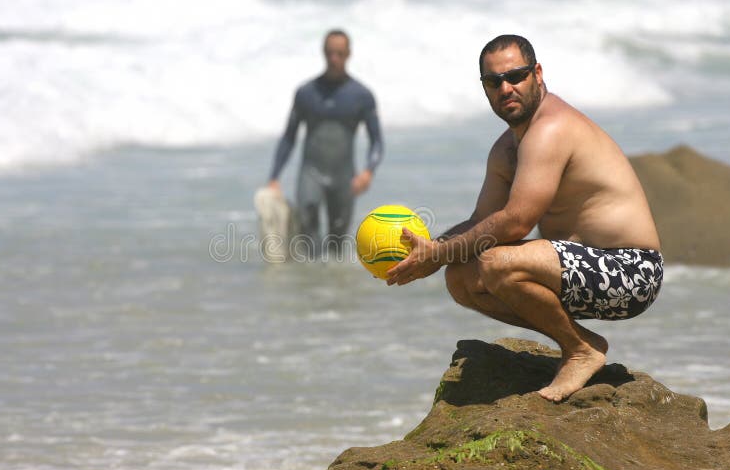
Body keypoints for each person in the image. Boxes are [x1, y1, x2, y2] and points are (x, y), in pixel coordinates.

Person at [386, 34, 663, 402]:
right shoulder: (506, 149)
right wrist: (434, 251)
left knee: (496, 263)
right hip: (573, 269)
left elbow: (516, 223)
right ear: (484, 88)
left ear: (537, 73)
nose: (506, 88)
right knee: (462, 278)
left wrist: (438, 253)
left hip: (632, 272)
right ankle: (582, 343)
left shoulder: (551, 128)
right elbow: (482, 220)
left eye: (515, 76)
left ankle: (580, 351)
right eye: (493, 81)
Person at [267, 29, 383, 255]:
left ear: (348, 54)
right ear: (323, 53)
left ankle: (332, 287)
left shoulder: (361, 95)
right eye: (330, 53)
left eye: (339, 53)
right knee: (308, 236)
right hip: (311, 172)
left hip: (344, 176)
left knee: (337, 245)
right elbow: (289, 136)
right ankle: (309, 286)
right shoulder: (306, 93)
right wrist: (274, 177)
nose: (334, 59)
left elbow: (377, 140)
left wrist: (369, 172)